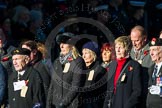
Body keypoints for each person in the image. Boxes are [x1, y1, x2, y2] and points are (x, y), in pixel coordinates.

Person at [46, 32, 86, 108]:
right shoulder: (57, 62)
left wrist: (63, 104)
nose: (61, 46)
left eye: (64, 43)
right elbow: (52, 85)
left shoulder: (78, 61)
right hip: (55, 104)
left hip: (71, 105)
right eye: (60, 43)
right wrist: (48, 104)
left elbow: (76, 86)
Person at [103, 36, 142, 108]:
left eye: (120, 47)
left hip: (125, 104)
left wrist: (128, 105)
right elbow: (109, 89)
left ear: (127, 49)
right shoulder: (112, 65)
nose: (117, 50)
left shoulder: (134, 66)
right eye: (116, 47)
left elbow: (137, 91)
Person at [130, 25, 154, 108]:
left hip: (146, 92)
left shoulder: (153, 50)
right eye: (132, 40)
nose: (134, 44)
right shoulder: (130, 51)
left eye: (136, 40)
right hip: (132, 93)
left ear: (144, 39)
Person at [79, 41, 107, 108]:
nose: (84, 56)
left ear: (93, 54)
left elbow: (103, 93)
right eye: (83, 53)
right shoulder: (82, 70)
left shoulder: (100, 70)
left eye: (86, 53)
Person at [146, 38, 162, 108]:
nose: (151, 53)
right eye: (150, 50)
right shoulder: (151, 69)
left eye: (154, 50)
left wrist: (161, 90)